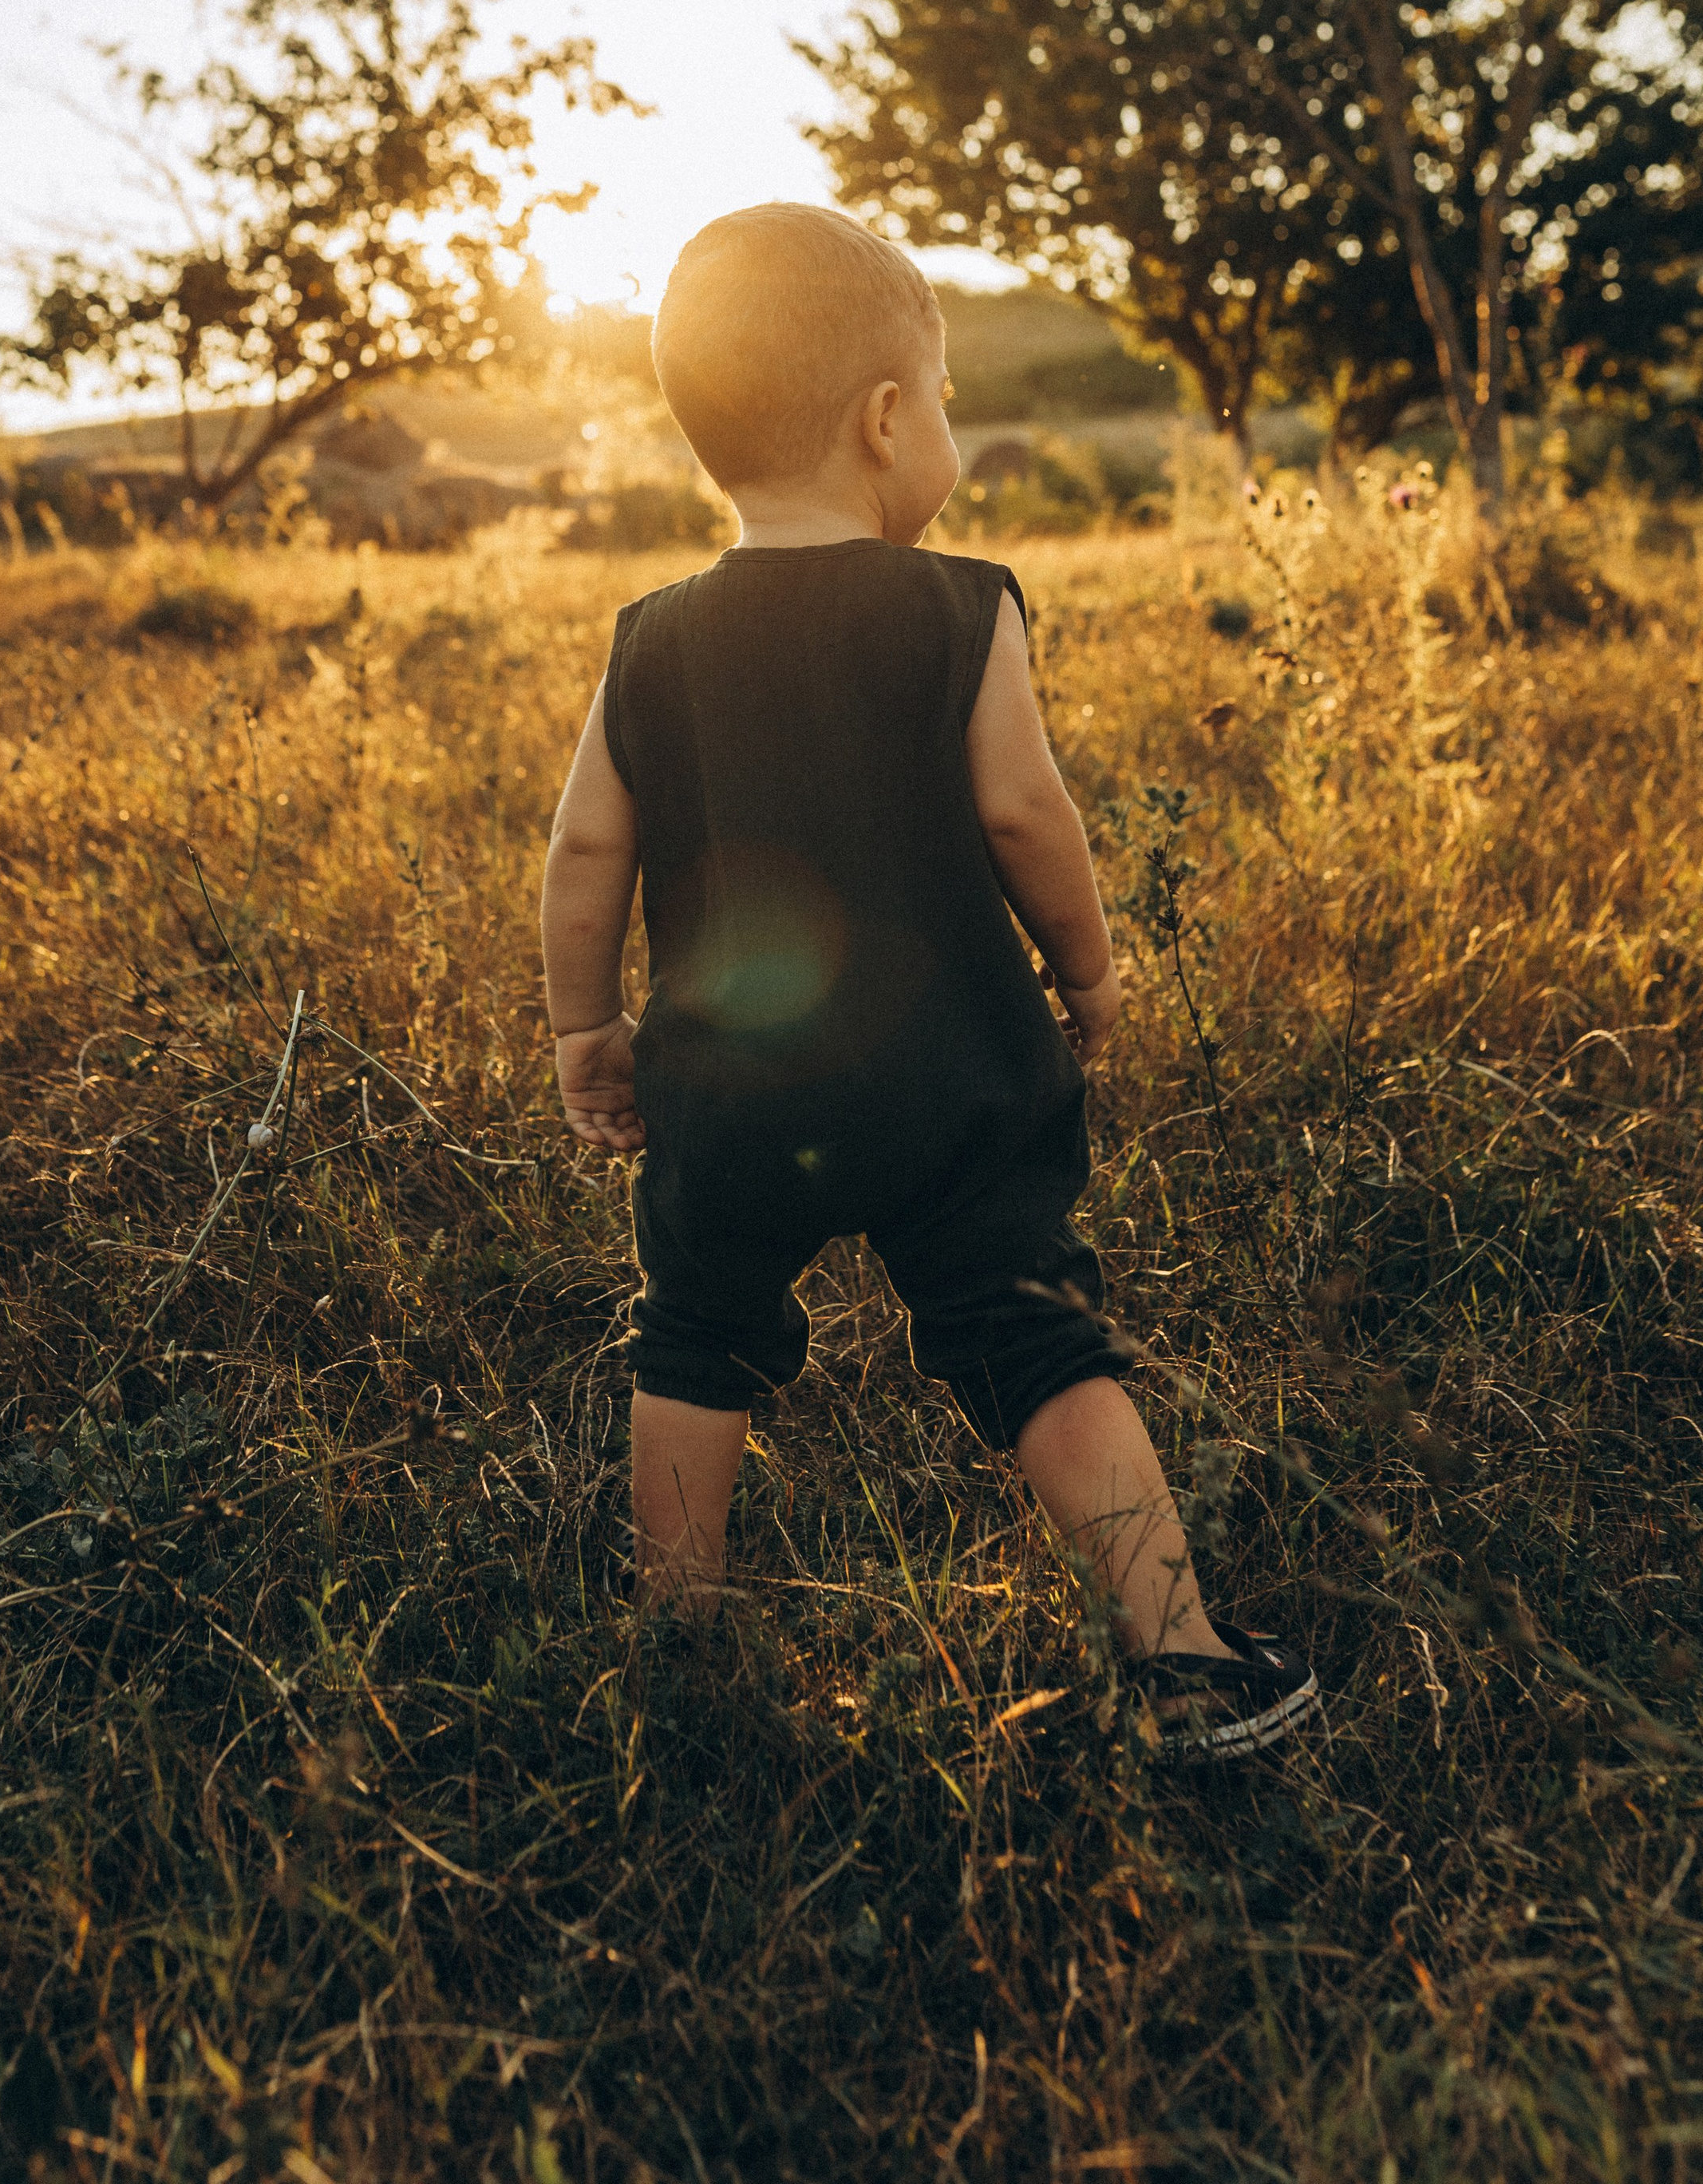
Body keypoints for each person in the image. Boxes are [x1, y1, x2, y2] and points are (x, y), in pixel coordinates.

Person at [539, 204, 1318, 1760]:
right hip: (945, 1080)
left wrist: (586, 1028)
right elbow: (1029, 812)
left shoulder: (653, 639)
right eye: (947, 399)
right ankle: (1179, 1659)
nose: (946, 429)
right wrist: (1084, 971)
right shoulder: (960, 606)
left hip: (726, 1088)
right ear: (885, 419)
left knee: (691, 1334)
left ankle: (677, 1642)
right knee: (1031, 1331)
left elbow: (579, 855)